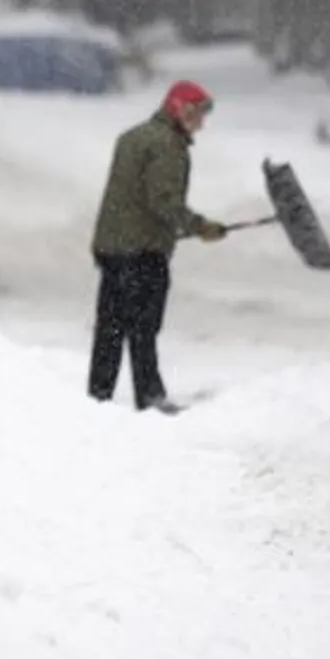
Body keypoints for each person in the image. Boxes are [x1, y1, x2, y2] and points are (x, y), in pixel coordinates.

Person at [88, 80, 226, 412]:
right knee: (143, 326)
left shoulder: (133, 137)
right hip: (141, 253)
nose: (201, 124)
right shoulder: (168, 145)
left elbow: (132, 197)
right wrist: (199, 226)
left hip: (113, 246)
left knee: (111, 327)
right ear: (182, 109)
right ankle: (150, 397)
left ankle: (97, 396)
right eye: (198, 115)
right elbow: (162, 200)